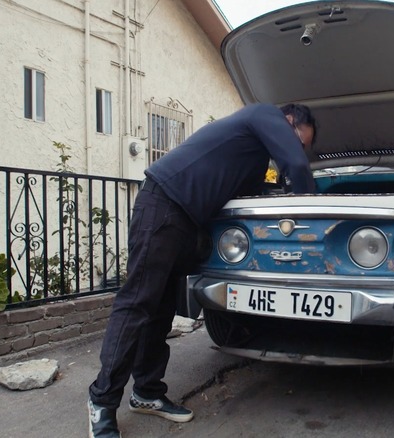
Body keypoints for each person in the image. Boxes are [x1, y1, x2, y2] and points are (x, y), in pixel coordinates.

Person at [88, 103, 317, 437]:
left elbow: (251, 194)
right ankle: (101, 401)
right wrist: (312, 211)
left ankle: (147, 392)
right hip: (163, 205)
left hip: (184, 220)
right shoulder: (263, 114)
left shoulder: (251, 154)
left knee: (160, 309)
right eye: (299, 141)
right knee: (136, 304)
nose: (298, 149)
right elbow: (295, 164)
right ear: (288, 121)